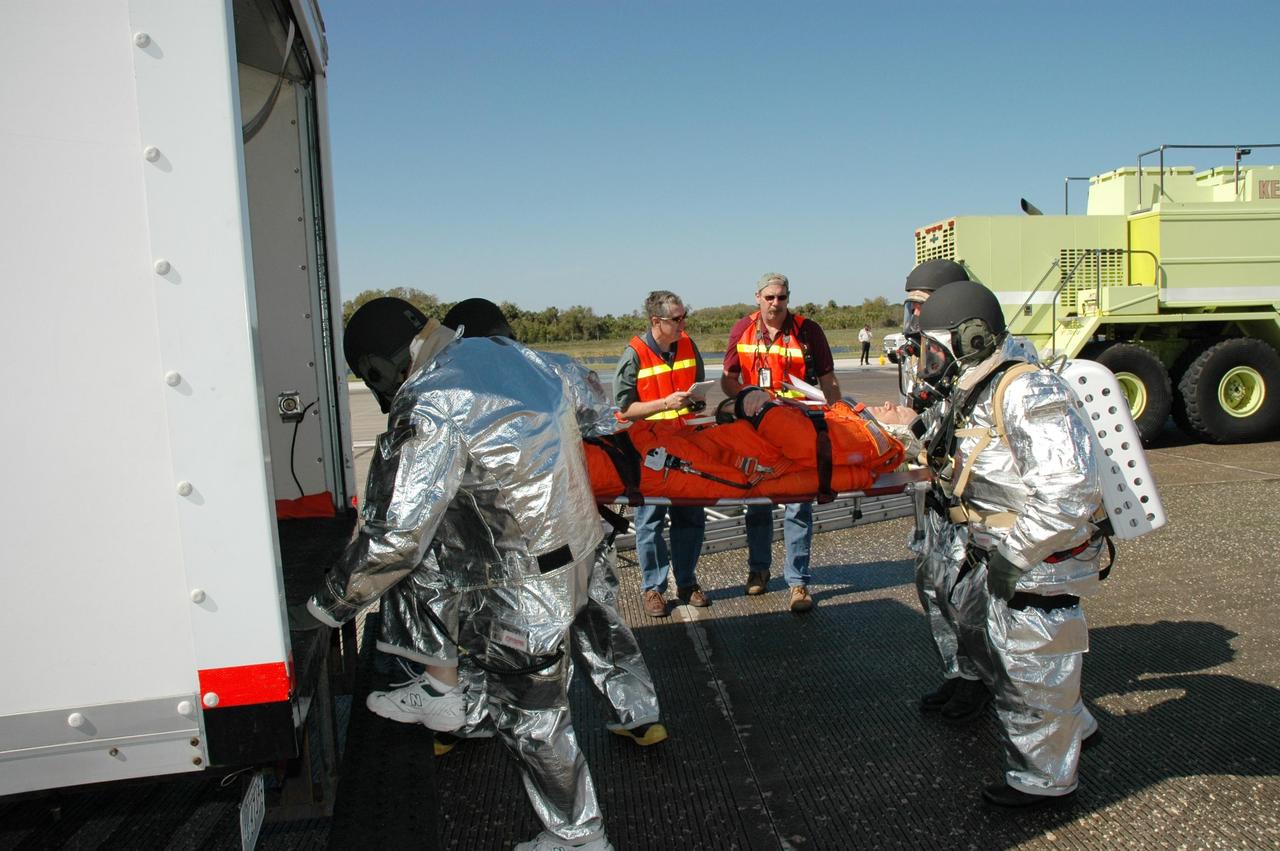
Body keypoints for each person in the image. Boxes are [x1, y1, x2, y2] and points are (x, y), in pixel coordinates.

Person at [297, 297, 619, 850]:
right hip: (570, 551)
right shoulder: (517, 356)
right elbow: (597, 399)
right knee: (424, 571)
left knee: (532, 717)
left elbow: (396, 537)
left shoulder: (430, 400)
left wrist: (325, 607)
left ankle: (579, 838)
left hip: (521, 583)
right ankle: (441, 687)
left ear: (378, 369)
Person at [914, 280, 1103, 807]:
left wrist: (1015, 556)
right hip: (998, 548)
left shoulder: (1027, 391)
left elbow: (1070, 491)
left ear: (969, 339)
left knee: (1030, 672)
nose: (926, 360)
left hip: (1035, 558)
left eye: (933, 347)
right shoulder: (976, 386)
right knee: (992, 644)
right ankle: (1077, 725)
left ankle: (1045, 782)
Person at [894, 260, 992, 724]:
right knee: (935, 590)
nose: (913, 318)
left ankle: (981, 682)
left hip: (976, 508)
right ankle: (959, 673)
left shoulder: (997, 357)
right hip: (938, 498)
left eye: (920, 307)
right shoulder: (930, 354)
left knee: (969, 601)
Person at [721, 272, 841, 613]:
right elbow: (728, 380)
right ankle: (758, 570)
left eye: (782, 297)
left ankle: (798, 583)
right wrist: (746, 396)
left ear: (788, 298)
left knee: (798, 505)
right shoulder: (741, 329)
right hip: (755, 430)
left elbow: (829, 379)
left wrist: (835, 415)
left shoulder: (808, 330)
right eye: (770, 297)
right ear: (757, 297)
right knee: (757, 502)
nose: (776, 303)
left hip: (798, 427)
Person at [613, 290, 710, 618]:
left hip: (687, 445)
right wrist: (664, 404)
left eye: (685, 317)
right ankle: (653, 588)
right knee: (649, 521)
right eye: (677, 319)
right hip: (649, 451)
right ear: (656, 321)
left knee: (691, 517)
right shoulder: (635, 353)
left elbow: (697, 390)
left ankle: (686, 581)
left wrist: (697, 401)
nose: (683, 324)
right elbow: (624, 409)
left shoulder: (688, 345)